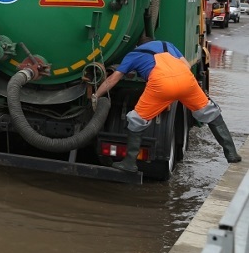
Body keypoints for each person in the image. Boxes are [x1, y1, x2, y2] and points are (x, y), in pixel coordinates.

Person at [93, 36, 241, 172]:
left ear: (138, 45)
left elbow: (113, 80)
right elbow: (186, 65)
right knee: (211, 113)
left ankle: (130, 162)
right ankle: (231, 153)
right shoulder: (167, 45)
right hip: (187, 81)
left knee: (136, 120)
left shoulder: (133, 54)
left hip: (160, 85)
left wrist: (96, 96)